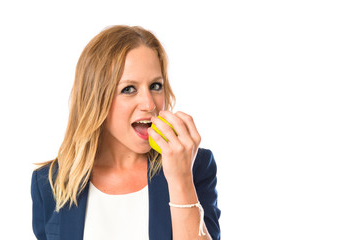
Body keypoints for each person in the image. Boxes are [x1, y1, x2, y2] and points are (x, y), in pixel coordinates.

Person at [31, 25, 221, 240]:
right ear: (95, 99)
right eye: (128, 89)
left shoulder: (195, 167)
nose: (149, 104)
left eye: (156, 86)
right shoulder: (49, 182)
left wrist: (181, 179)